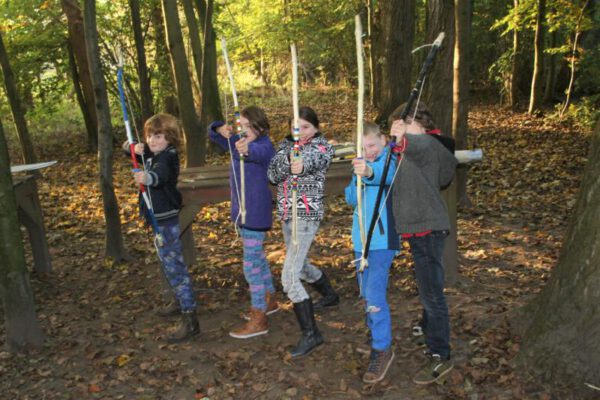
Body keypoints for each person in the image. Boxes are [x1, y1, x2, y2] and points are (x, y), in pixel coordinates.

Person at [388, 102, 457, 385]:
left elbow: (419, 147)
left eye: (407, 124)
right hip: (420, 230)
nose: (402, 131)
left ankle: (441, 354)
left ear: (424, 125)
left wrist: (405, 137)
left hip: (428, 229)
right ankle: (427, 327)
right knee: (427, 285)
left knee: (432, 294)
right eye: (399, 125)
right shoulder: (412, 149)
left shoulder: (429, 145)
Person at [267, 106, 339, 357]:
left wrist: (300, 162)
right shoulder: (284, 147)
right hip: (288, 215)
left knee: (289, 277)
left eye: (306, 127)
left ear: (316, 127)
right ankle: (329, 295)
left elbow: (313, 161)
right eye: (295, 127)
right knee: (302, 264)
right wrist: (288, 161)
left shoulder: (322, 146)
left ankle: (311, 333)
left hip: (305, 215)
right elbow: (272, 175)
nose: (300, 132)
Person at [124, 113, 199, 343]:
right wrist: (131, 146)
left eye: (158, 136)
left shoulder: (168, 156)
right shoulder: (153, 152)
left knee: (175, 268)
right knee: (169, 265)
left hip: (166, 220)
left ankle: (190, 318)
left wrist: (147, 178)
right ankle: (179, 302)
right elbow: (135, 151)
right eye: (149, 136)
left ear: (170, 137)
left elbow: (160, 176)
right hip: (158, 218)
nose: (152, 140)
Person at [208, 106, 279, 339]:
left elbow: (257, 153)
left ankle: (259, 317)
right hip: (243, 213)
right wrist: (219, 127)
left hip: (256, 214)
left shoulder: (264, 146)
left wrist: (245, 147)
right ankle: (270, 299)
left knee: (250, 268)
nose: (246, 130)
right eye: (242, 126)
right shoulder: (238, 142)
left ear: (261, 126)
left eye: (251, 126)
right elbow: (213, 135)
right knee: (257, 258)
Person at [344, 122, 399, 384]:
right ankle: (376, 334)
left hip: (382, 241)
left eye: (373, 145)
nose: (370, 151)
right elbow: (350, 199)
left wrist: (367, 171)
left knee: (375, 294)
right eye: (364, 148)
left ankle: (382, 349)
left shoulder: (390, 159)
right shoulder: (361, 164)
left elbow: (383, 174)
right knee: (366, 293)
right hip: (361, 243)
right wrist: (356, 177)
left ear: (384, 140)